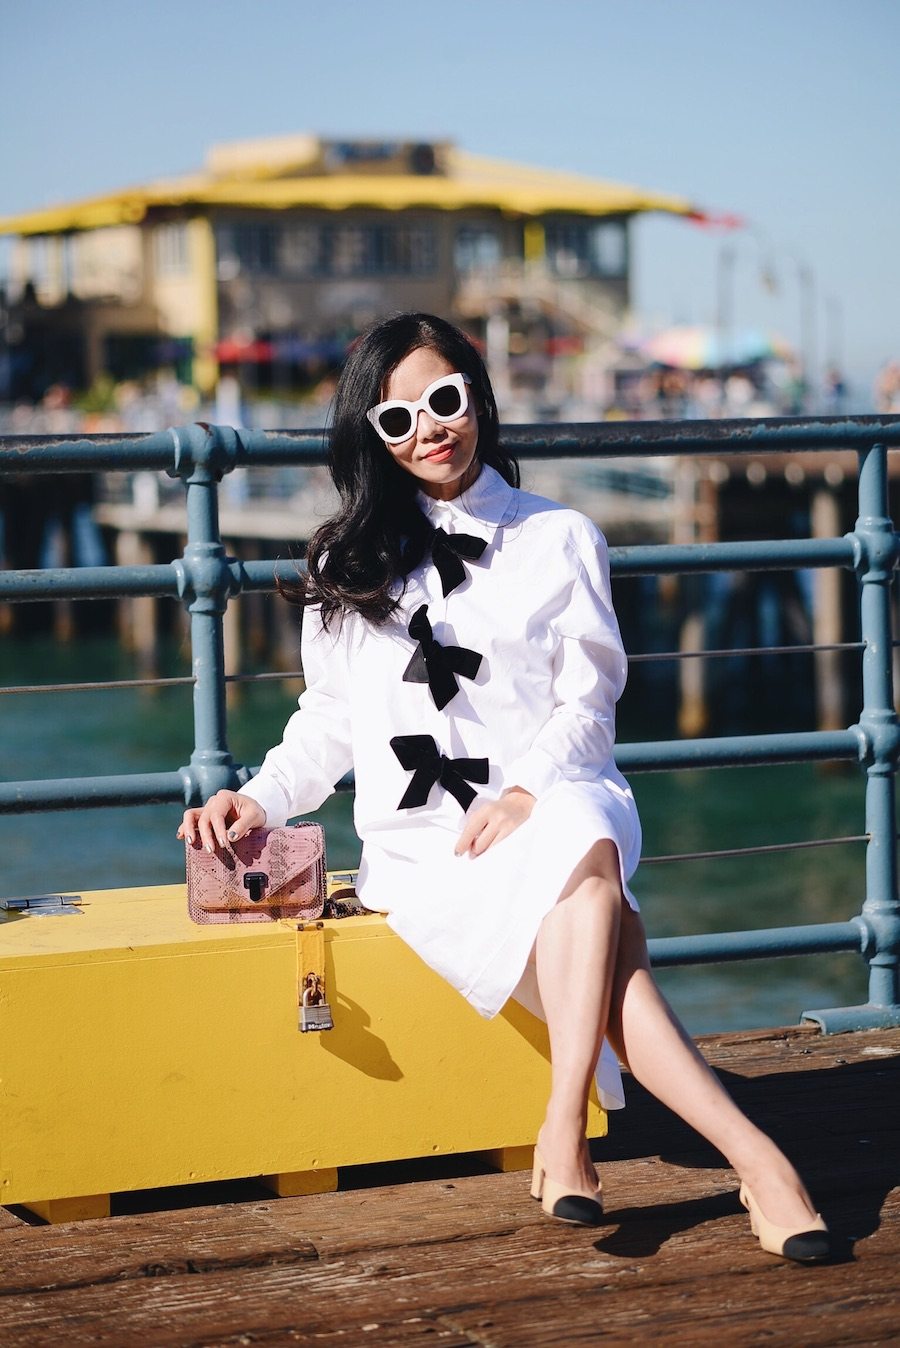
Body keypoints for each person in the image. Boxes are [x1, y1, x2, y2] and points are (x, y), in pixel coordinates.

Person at [179, 313, 830, 1260]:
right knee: (609, 953)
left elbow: (591, 702)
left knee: (574, 823)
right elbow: (328, 722)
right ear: (372, 436)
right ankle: (757, 1163)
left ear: (477, 396)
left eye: (444, 401)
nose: (429, 430)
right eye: (396, 419)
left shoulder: (560, 537)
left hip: (556, 800)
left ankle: (564, 1123)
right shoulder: (343, 561)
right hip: (426, 848)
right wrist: (262, 798)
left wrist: (524, 793)